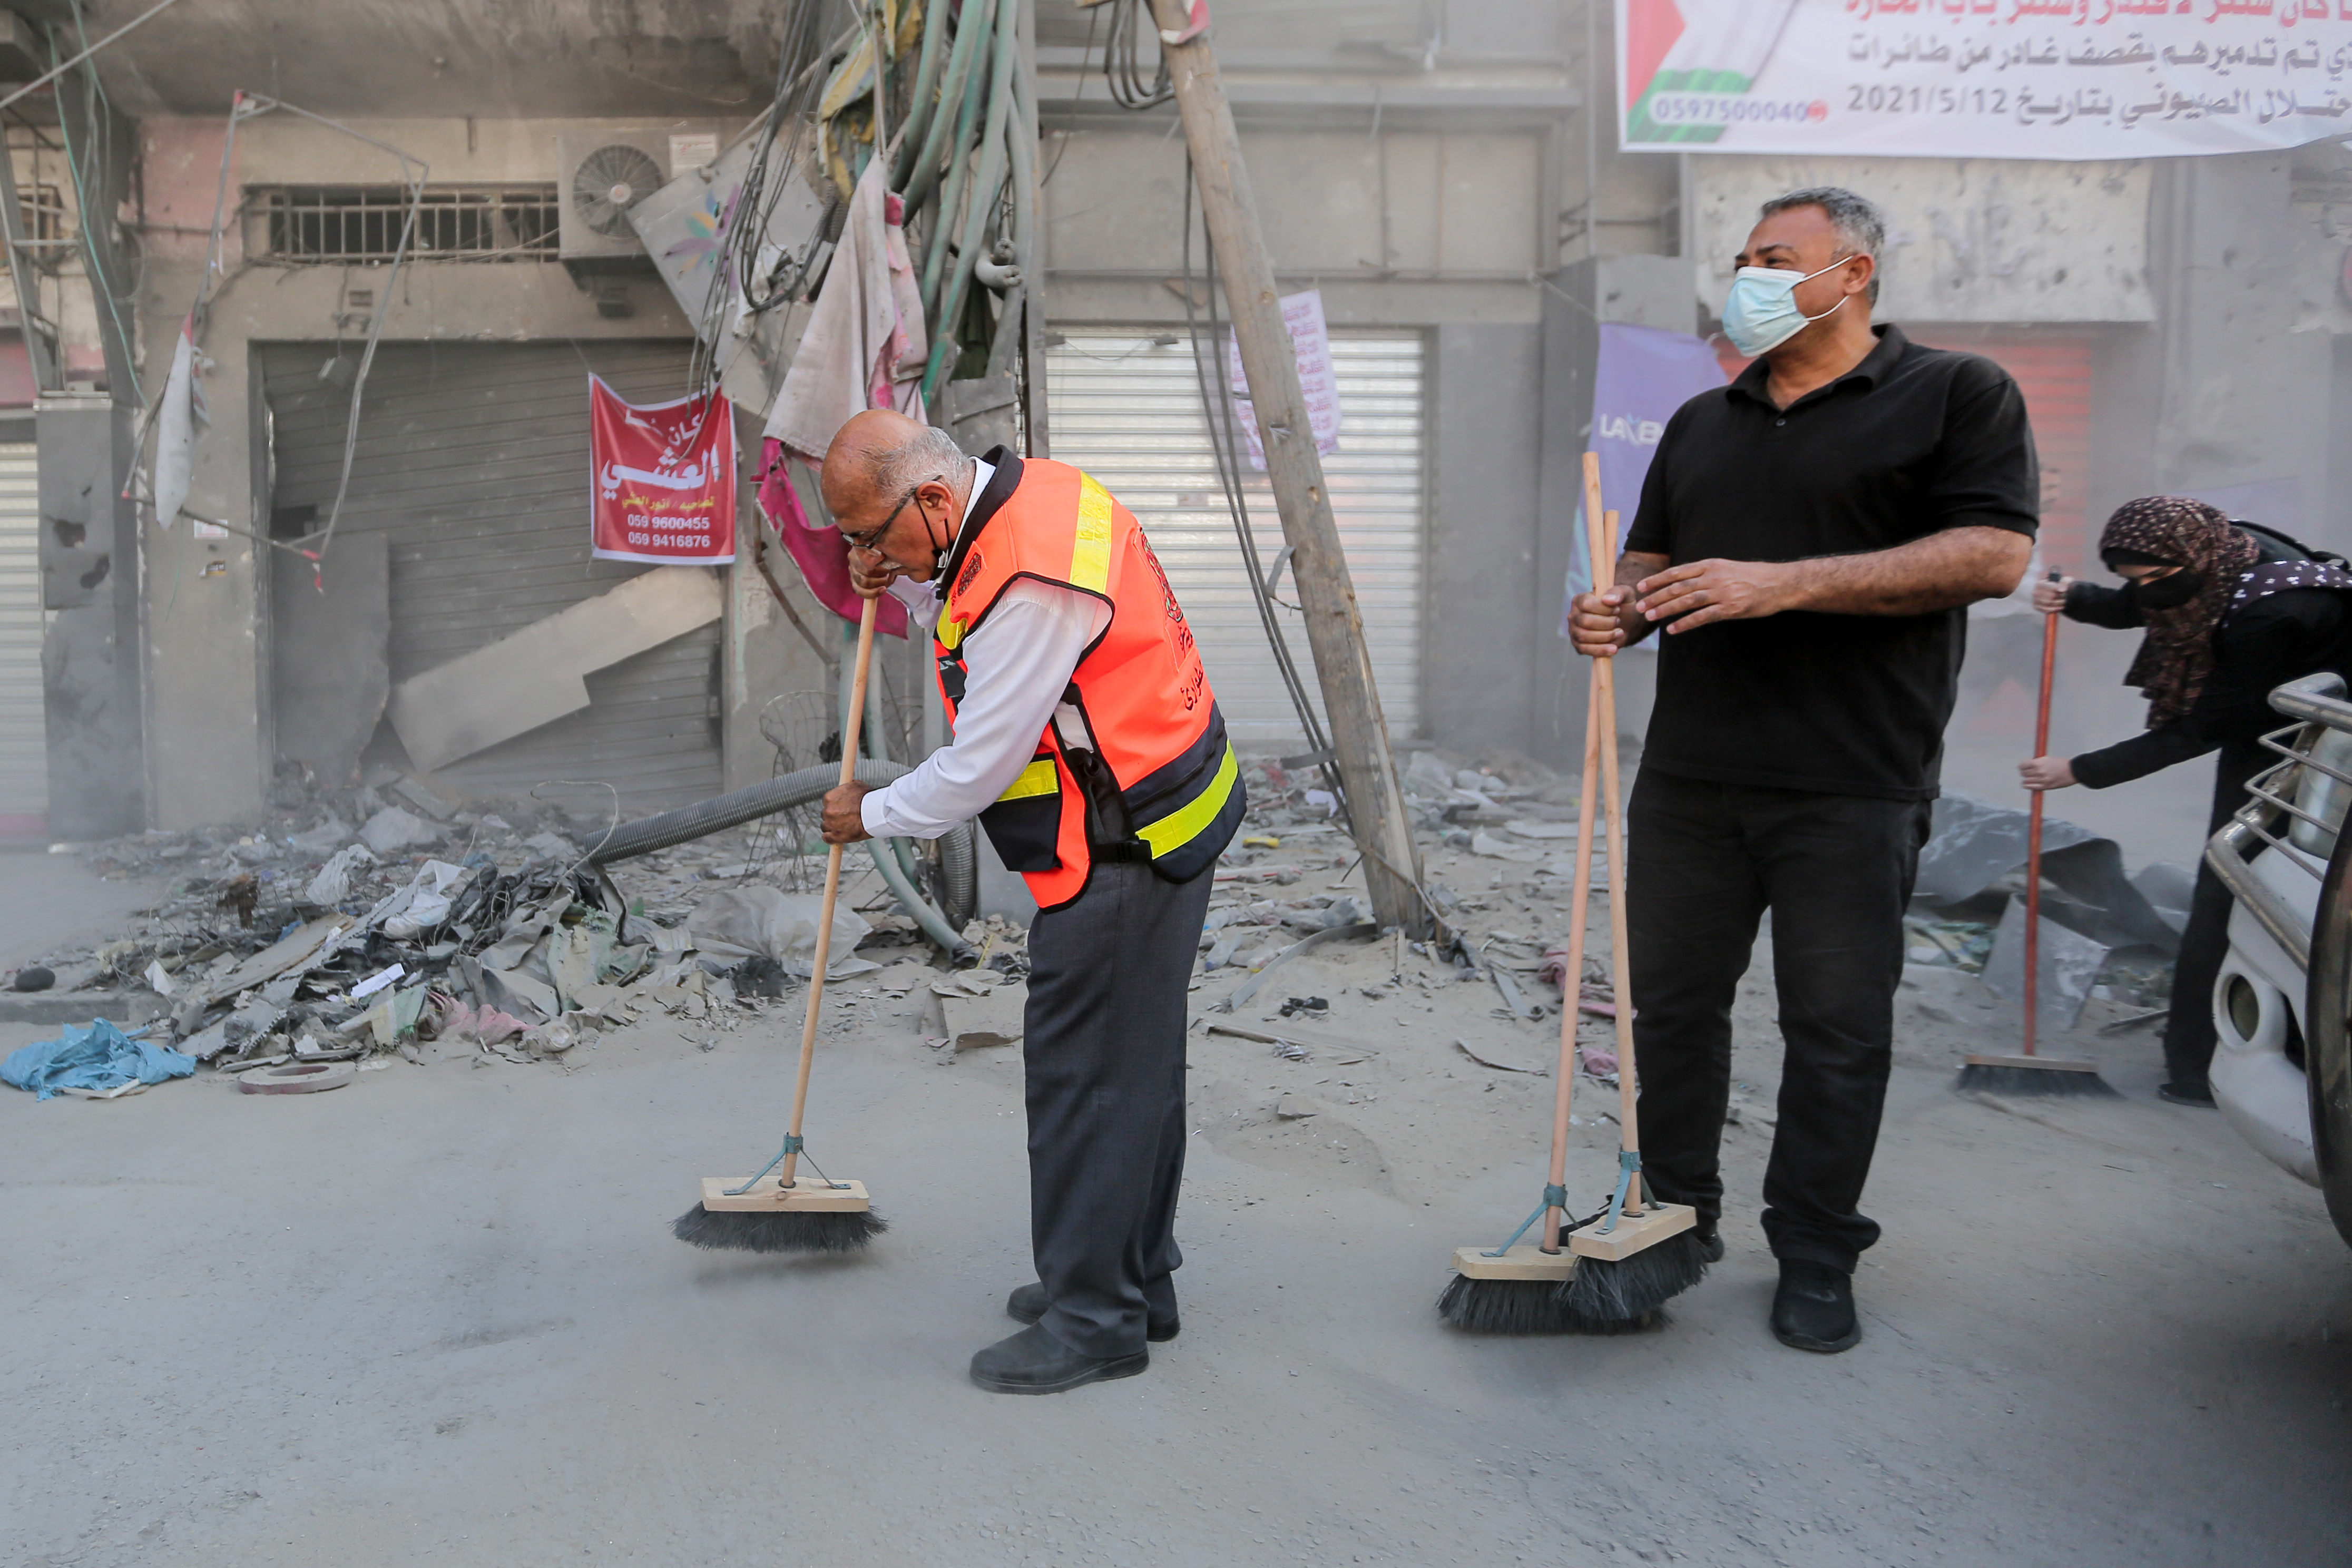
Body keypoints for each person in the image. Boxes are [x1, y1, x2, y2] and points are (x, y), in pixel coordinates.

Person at [1567, 187, 2035, 1355]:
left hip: (1854, 781)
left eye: (1778, 257)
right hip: (1692, 777)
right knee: (1670, 1014)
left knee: (1836, 1027)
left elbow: (1994, 552)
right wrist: (1612, 615)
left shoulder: (1954, 394)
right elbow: (1650, 569)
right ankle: (1672, 1225)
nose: (1751, 277)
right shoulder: (1703, 419)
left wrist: (1781, 583)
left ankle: (1817, 1253)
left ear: (1856, 272)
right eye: (1744, 259)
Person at [815, 408, 1245, 1395]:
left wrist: (868, 814)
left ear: (928, 498)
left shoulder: (1030, 577)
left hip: (1126, 837)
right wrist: (909, 581)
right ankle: (1139, 1280)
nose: (863, 555)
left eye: (868, 536)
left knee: (1083, 1081)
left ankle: (1094, 1319)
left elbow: (976, 770)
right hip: (1165, 799)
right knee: (1134, 1068)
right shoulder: (1020, 501)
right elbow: (967, 620)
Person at [2018, 496, 2352, 1107]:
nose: (2146, 592)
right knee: (2232, 890)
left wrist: (2081, 770)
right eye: (2133, 579)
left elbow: (2205, 727)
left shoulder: (2270, 615)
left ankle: (2205, 1071)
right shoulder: (2215, 552)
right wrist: (2077, 597)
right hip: (2270, 723)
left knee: (2237, 893)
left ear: (2192, 559)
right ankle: (2208, 1054)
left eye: (2153, 579)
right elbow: (2144, 599)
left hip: (2316, 750)